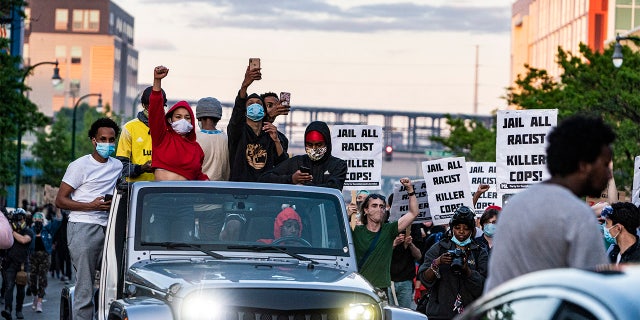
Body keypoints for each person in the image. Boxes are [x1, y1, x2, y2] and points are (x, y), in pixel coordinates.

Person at [485, 115, 615, 293]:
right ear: (584, 165)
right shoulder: (577, 215)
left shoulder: (515, 205)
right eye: (606, 164)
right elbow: (595, 291)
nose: (609, 174)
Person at [55, 117, 123, 320]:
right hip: (83, 227)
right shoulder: (79, 165)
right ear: (93, 140)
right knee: (85, 286)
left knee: (113, 283)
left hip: (109, 228)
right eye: (103, 139)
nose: (108, 144)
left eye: (112, 140)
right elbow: (60, 200)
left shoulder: (117, 166)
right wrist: (90, 205)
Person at [351, 178, 419, 296]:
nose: (379, 209)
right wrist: (348, 214)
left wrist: (410, 190)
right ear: (366, 210)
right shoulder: (355, 231)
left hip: (381, 290)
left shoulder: (389, 230)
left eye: (382, 206)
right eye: (374, 206)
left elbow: (413, 213)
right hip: (359, 288)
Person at [417, 206, 488, 319]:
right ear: (452, 228)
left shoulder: (479, 251)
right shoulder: (439, 248)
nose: (461, 231)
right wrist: (438, 262)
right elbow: (424, 279)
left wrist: (467, 271)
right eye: (457, 227)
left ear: (472, 230)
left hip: (470, 314)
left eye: (466, 228)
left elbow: (484, 286)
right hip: (440, 313)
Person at [227, 65, 287, 182]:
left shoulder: (269, 134)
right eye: (250, 103)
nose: (255, 105)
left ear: (264, 111)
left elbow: (282, 164)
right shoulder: (238, 132)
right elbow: (237, 114)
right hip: (240, 191)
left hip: (263, 191)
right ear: (245, 111)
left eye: (259, 103)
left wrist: (276, 141)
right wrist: (244, 86)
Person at [149, 65, 208, 181]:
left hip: (186, 197)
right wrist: (157, 81)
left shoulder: (196, 149)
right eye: (178, 117)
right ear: (170, 120)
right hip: (160, 196)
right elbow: (156, 111)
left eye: (187, 117)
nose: (183, 120)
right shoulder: (162, 138)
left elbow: (199, 176)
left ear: (192, 122)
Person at [259, 121, 348, 190]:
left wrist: (304, 185)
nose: (314, 148)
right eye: (309, 145)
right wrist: (291, 179)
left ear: (327, 144)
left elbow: (333, 188)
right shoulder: (297, 162)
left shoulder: (338, 165)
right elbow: (265, 178)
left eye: (319, 145)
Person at [115, 86, 166, 182]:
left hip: (163, 189)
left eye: (159, 105)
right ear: (144, 105)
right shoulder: (129, 128)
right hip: (136, 191)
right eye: (151, 105)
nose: (156, 108)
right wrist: (142, 168)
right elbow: (121, 166)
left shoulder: (169, 129)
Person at [1, 209, 34, 320]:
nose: (19, 220)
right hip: (9, 264)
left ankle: (18, 310)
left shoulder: (28, 231)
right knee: (9, 287)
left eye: (20, 218)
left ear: (24, 218)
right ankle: (8, 310)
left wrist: (12, 232)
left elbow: (24, 240)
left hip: (22, 266)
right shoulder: (8, 232)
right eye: (16, 218)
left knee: (20, 290)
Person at [28, 211, 61, 313]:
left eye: (40, 219)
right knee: (32, 279)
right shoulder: (30, 230)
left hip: (45, 256)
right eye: (36, 219)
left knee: (42, 278)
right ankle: (35, 296)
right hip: (33, 257)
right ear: (34, 220)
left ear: (43, 220)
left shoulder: (47, 229)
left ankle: (39, 302)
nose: (38, 220)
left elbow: (57, 221)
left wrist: (58, 209)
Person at [195, 97, 230, 181]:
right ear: (218, 118)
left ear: (199, 117)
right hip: (220, 189)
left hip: (198, 188)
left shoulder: (194, 139)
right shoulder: (226, 139)